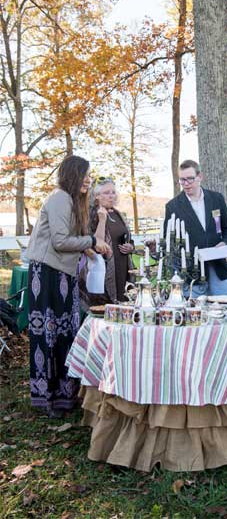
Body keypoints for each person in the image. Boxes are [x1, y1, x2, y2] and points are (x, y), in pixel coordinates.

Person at [26, 155, 111, 416]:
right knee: (49, 335)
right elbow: (61, 241)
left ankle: (66, 395)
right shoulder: (60, 198)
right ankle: (49, 398)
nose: (88, 179)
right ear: (73, 174)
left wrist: (90, 250)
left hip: (63, 273)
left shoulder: (74, 201)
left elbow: (71, 239)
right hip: (48, 275)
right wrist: (89, 243)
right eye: (85, 174)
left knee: (66, 333)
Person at [163, 160, 227, 296]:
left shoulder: (217, 199)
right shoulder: (173, 206)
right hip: (191, 274)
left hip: (217, 268)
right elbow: (170, 242)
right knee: (195, 314)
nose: (186, 184)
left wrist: (225, 242)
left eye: (190, 179)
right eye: (182, 180)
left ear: (199, 177)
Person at [80, 178, 134, 305]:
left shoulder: (119, 214)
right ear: (97, 196)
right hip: (102, 269)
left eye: (113, 192)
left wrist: (130, 246)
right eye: (106, 193)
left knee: (124, 301)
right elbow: (94, 245)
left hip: (123, 266)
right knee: (105, 306)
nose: (111, 196)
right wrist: (102, 220)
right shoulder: (90, 215)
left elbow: (128, 237)